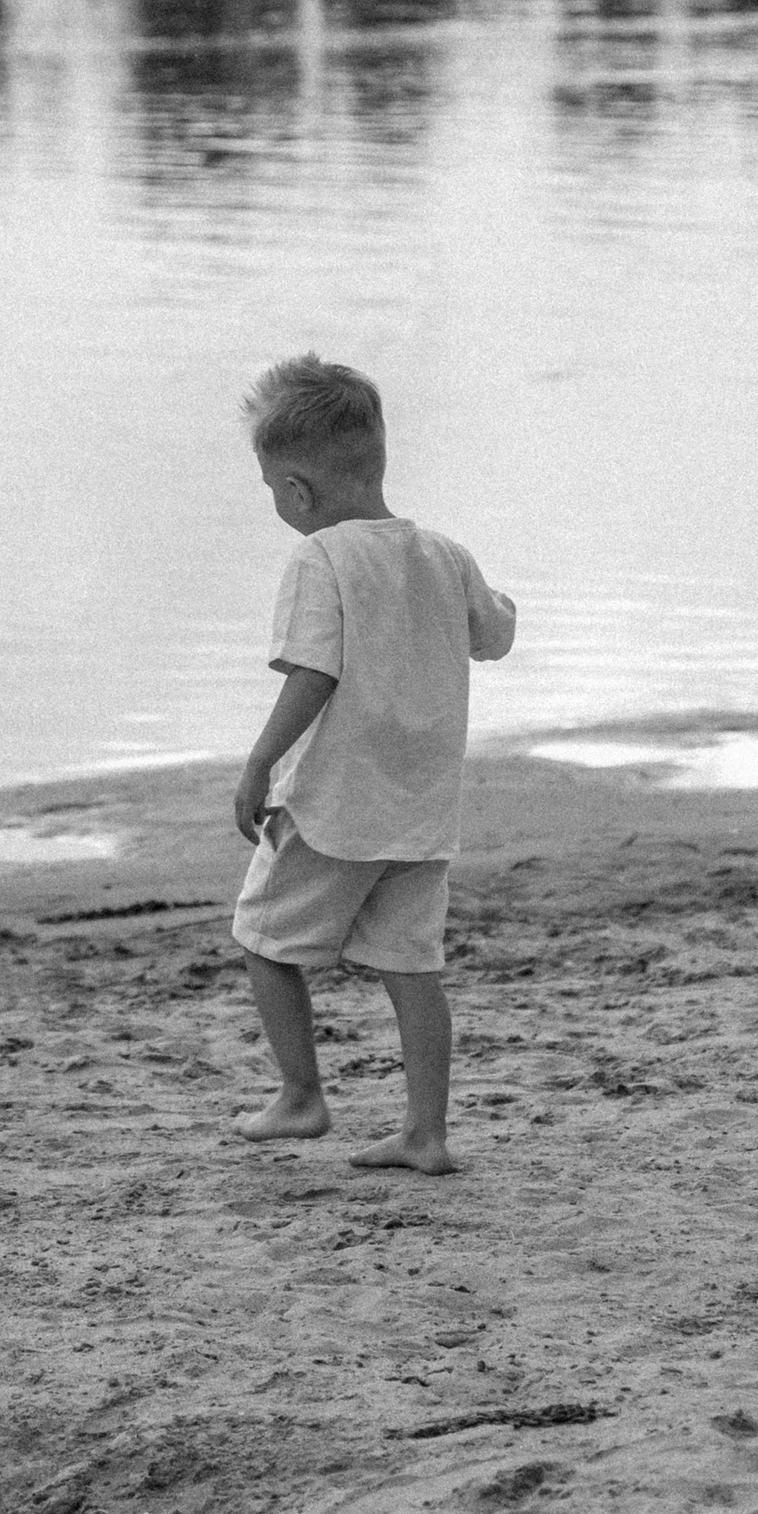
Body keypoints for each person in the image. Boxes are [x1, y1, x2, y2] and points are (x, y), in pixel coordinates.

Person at [229, 354, 517, 1174]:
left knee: (263, 936)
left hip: (335, 803)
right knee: (411, 963)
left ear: (297, 491)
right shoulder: (445, 555)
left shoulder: (319, 559)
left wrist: (259, 761)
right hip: (422, 810)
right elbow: (493, 634)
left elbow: (312, 674)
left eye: (272, 491)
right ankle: (427, 1132)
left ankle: (301, 1095)